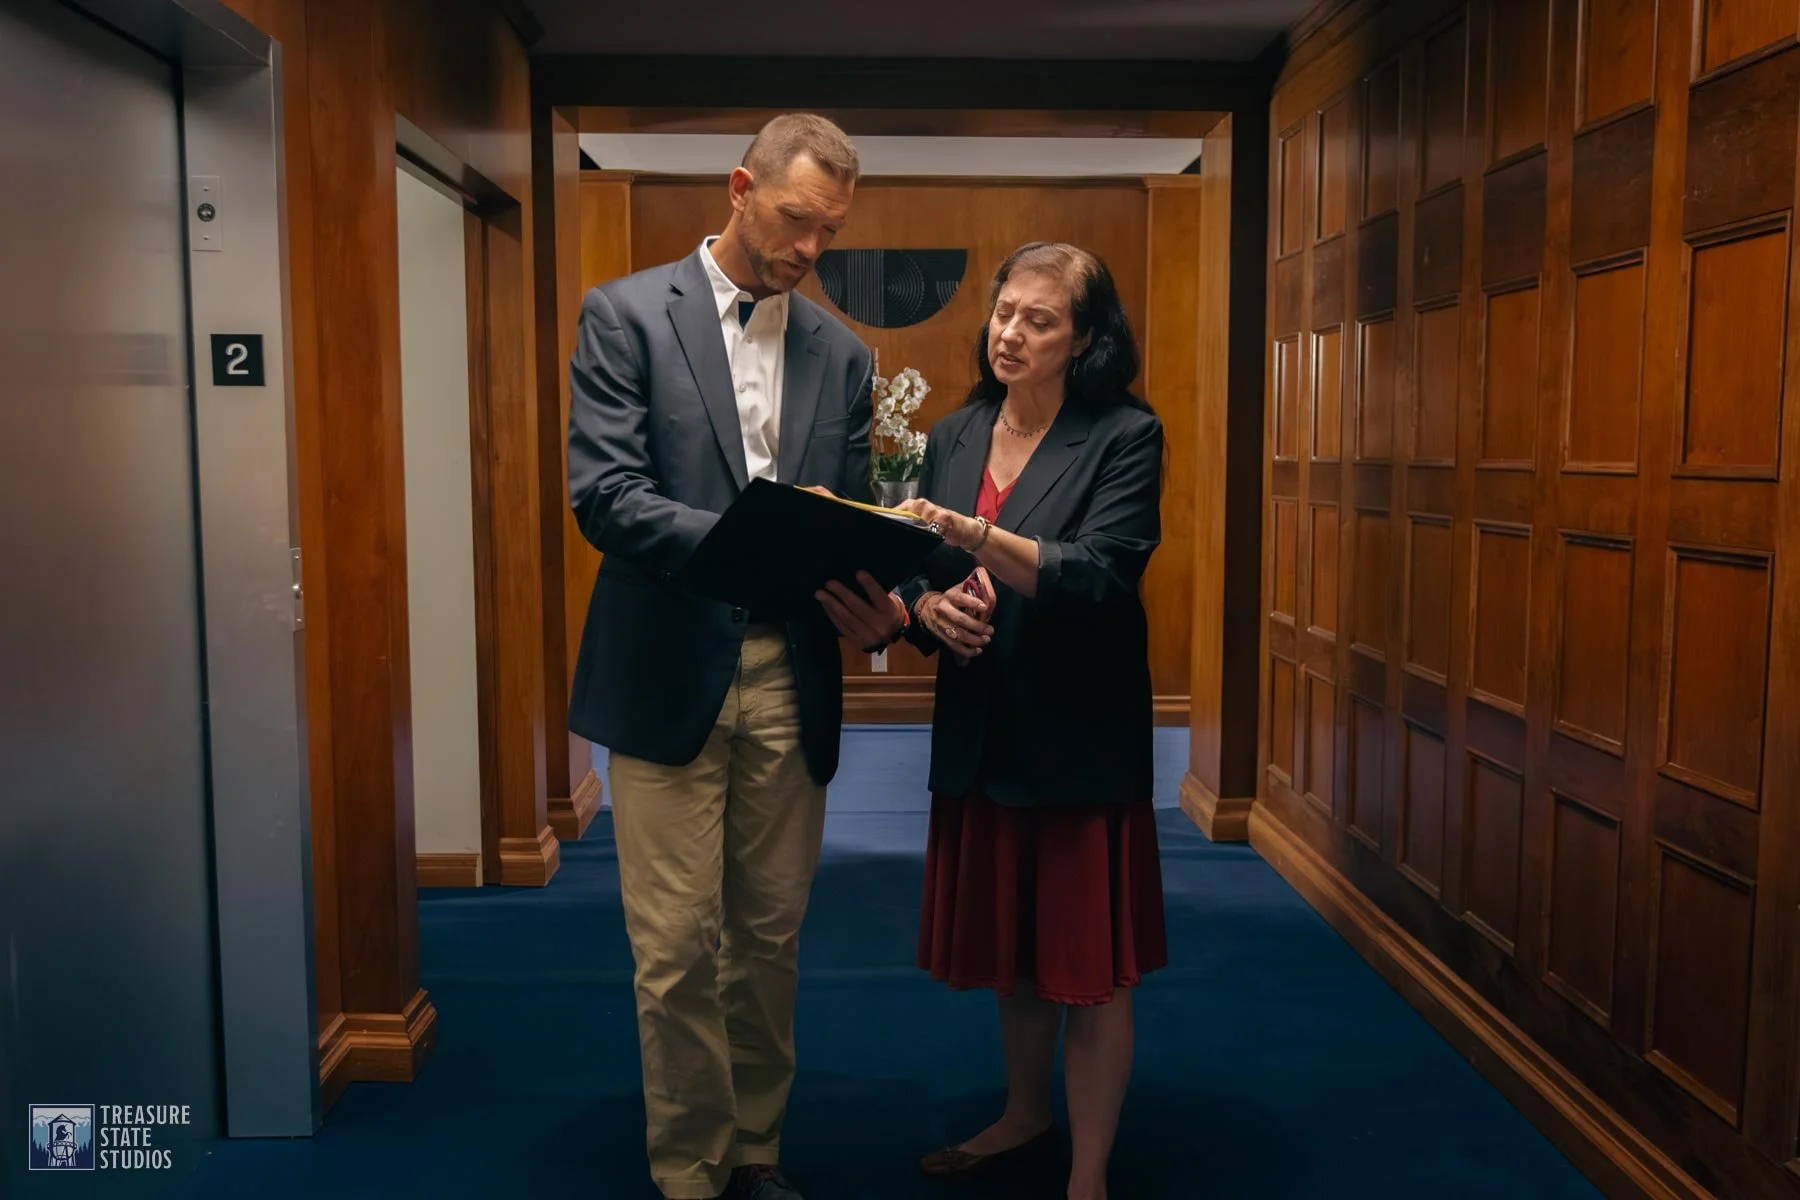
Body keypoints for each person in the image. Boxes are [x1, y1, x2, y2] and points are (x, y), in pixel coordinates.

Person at [566, 114, 909, 1200]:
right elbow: (606, 497)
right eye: (796, 219)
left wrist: (887, 590)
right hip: (667, 668)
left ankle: (755, 1152)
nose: (810, 248)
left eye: (830, 230)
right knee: (675, 947)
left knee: (767, 940)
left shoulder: (843, 354)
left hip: (791, 673)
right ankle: (690, 1170)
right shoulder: (625, 315)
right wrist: (760, 540)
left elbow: (850, 514)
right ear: (739, 188)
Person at [892, 242, 1168, 1200]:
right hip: (983, 727)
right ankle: (1024, 1113)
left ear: (1085, 339)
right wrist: (928, 608)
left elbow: (1099, 573)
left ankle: (1088, 1175)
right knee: (1014, 956)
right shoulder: (956, 432)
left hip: (1078, 734)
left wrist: (973, 534)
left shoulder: (1125, 434)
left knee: (1091, 968)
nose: (1008, 333)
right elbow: (915, 567)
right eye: (1004, 311)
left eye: (1039, 320)